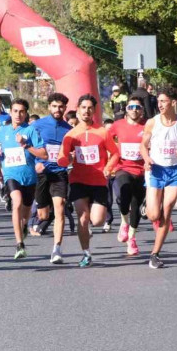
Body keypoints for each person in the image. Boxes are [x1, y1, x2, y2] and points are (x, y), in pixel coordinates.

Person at [58, 94, 120, 268]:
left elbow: (115, 153)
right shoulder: (71, 135)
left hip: (99, 181)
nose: (86, 111)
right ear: (78, 110)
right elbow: (62, 159)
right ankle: (86, 253)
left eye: (90, 108)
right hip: (78, 180)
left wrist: (108, 168)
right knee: (83, 218)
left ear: (94, 111)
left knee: (98, 220)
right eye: (83, 107)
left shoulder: (102, 132)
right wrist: (67, 159)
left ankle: (87, 231)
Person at [141, 88, 177, 269]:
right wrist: (147, 158)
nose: (160, 104)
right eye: (158, 101)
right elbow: (143, 145)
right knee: (153, 214)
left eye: (163, 101)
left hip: (173, 171)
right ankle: (147, 203)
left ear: (173, 102)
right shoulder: (152, 123)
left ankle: (154, 254)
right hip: (155, 171)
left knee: (167, 208)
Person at [0, 99, 48, 259]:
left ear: (26, 113)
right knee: (16, 202)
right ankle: (19, 244)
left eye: (21, 111)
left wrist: (27, 146)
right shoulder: (4, 130)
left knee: (27, 209)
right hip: (10, 174)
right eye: (15, 111)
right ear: (10, 112)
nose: (18, 114)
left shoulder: (31, 131)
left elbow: (44, 154)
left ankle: (23, 228)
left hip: (29, 176)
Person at [31, 93, 72, 263]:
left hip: (59, 173)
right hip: (42, 173)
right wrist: (35, 163)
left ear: (65, 108)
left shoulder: (69, 130)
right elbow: (28, 147)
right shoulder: (38, 125)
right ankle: (38, 220)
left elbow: (71, 154)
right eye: (54, 106)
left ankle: (57, 248)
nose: (58, 109)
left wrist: (69, 159)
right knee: (43, 215)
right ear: (49, 107)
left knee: (60, 207)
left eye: (61, 107)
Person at [109, 96, 148, 256]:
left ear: (142, 110)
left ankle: (131, 238)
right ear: (126, 109)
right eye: (131, 107)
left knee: (136, 205)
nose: (134, 110)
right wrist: (109, 160)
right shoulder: (117, 125)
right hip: (122, 167)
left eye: (137, 107)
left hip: (142, 171)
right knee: (124, 194)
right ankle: (124, 223)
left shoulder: (147, 125)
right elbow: (105, 141)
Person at [102, 118, 116, 232]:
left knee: (121, 198)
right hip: (105, 175)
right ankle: (108, 221)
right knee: (108, 200)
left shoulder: (118, 143)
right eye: (108, 130)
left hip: (117, 173)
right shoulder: (101, 143)